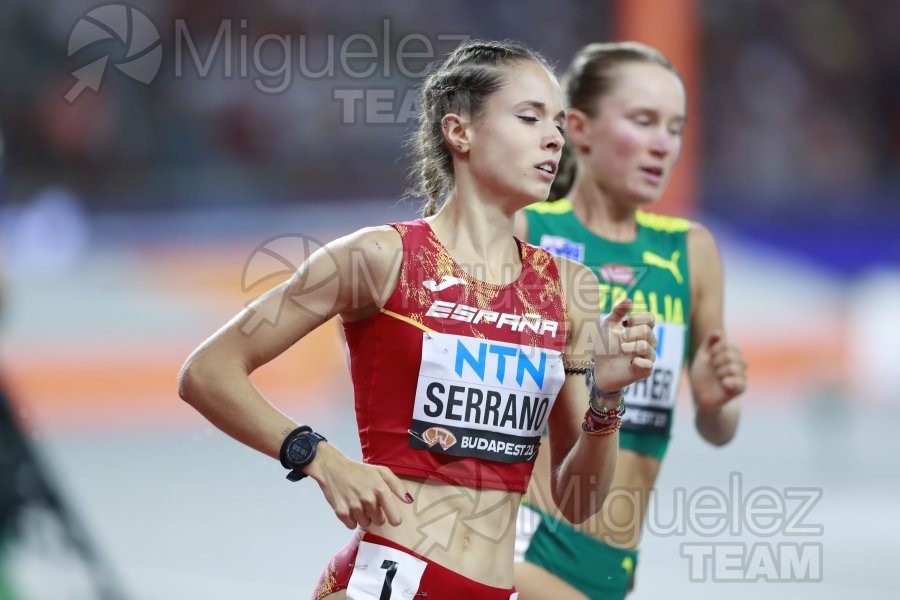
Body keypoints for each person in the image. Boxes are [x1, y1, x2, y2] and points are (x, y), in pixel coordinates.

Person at [178, 39, 659, 599]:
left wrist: (608, 399)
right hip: (390, 579)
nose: (554, 138)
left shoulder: (570, 288)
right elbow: (208, 371)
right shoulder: (378, 258)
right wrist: (320, 458)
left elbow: (577, 503)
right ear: (460, 133)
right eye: (529, 118)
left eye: (556, 123)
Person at [513, 42, 747, 599]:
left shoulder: (691, 251)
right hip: (525, 536)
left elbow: (719, 431)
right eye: (643, 121)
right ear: (579, 128)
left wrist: (718, 402)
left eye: (675, 127)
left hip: (615, 565)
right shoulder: (528, 233)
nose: (663, 145)